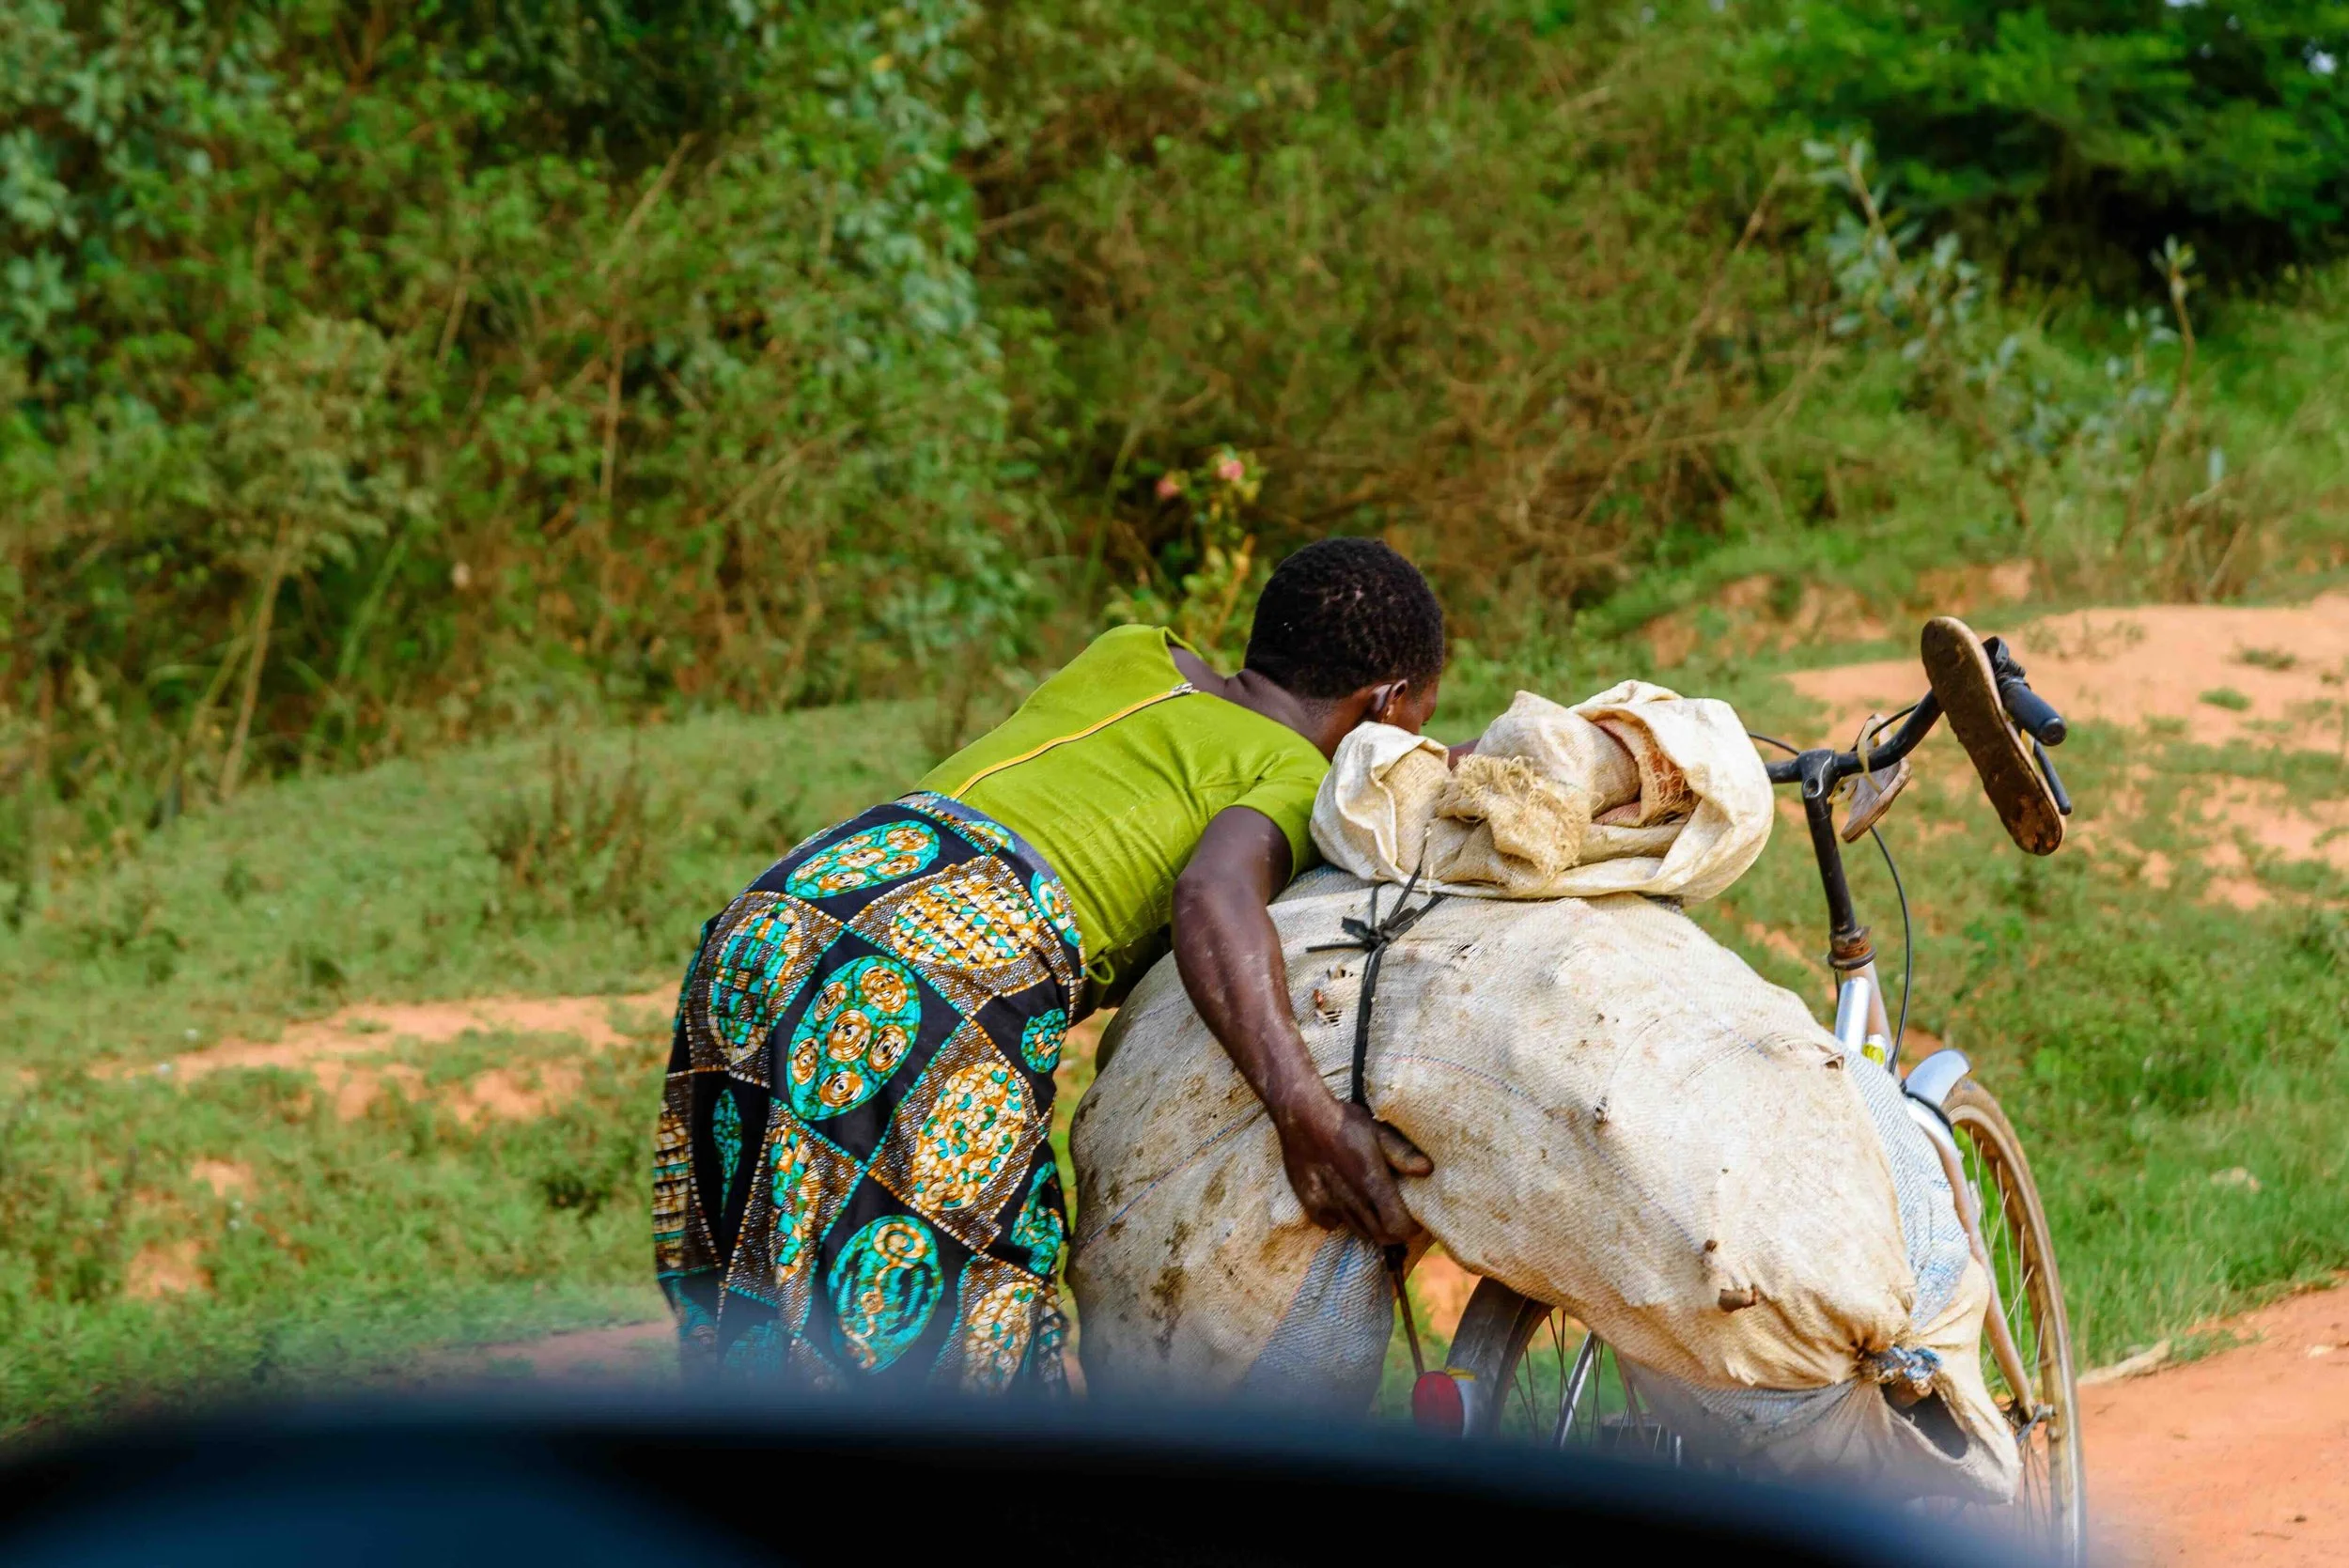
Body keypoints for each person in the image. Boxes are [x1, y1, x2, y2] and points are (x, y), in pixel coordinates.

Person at [653, 537, 1451, 1391]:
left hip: (771, 922)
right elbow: (1213, 897)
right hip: (928, 974)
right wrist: (1306, 1111)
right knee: (967, 1357)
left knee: (764, 1305)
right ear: (1385, 703)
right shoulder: (1297, 775)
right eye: (1417, 723)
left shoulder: (1135, 650)